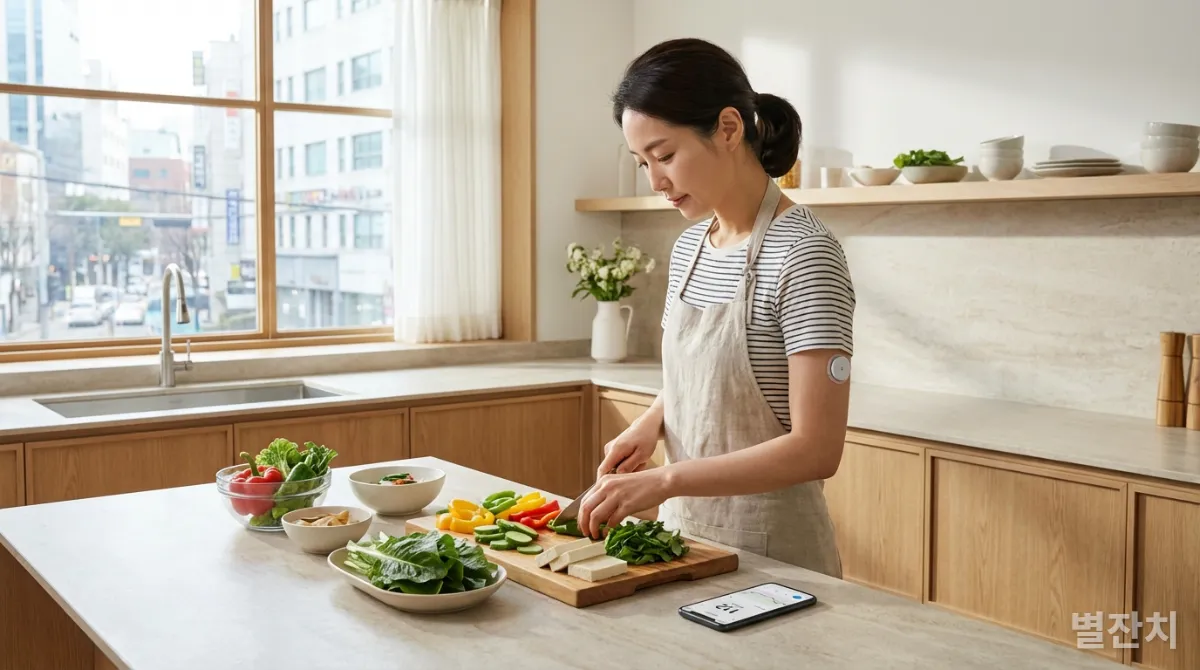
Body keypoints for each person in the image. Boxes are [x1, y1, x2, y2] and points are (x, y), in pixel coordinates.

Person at [575, 38, 856, 578]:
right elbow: (700, 375)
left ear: (728, 129)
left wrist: (664, 481)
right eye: (642, 163)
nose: (656, 181)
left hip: (777, 558)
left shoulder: (804, 254)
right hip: (683, 537)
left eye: (665, 155)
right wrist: (650, 424)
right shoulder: (690, 249)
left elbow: (817, 450)